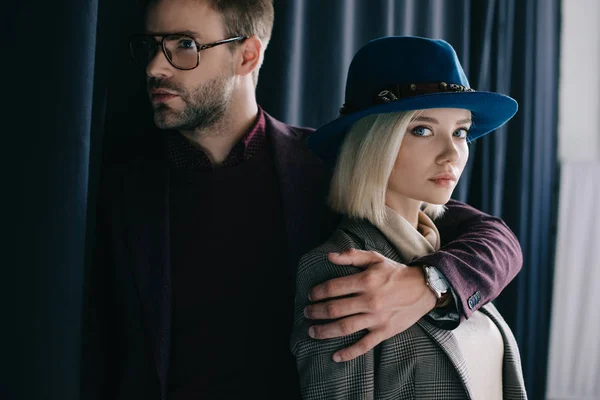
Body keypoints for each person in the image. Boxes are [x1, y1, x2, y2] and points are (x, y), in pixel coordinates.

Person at [80, 1, 523, 399]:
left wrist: (430, 285)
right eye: (152, 44)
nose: (156, 66)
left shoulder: (325, 169)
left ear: (248, 55)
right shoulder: (113, 184)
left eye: (184, 43)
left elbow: (496, 239)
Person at [290, 36, 528, 399]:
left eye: (460, 132)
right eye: (422, 130)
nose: (452, 153)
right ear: (374, 141)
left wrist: (432, 284)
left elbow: (501, 238)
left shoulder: (451, 247)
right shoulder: (340, 268)